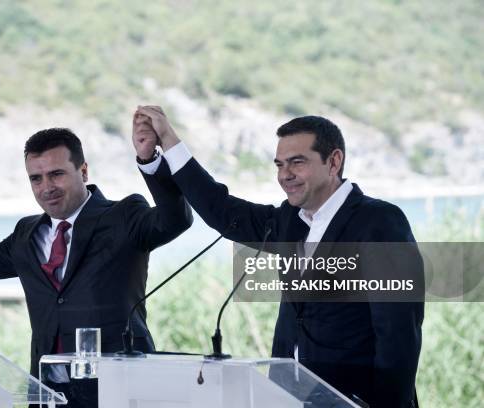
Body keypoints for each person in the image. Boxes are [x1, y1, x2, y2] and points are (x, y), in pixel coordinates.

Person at [133, 106, 424, 408]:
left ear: (334, 161)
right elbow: (221, 210)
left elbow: (399, 333)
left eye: (297, 163)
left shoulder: (380, 221)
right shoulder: (289, 220)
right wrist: (165, 144)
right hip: (288, 398)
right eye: (280, 164)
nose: (285, 175)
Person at [0, 127, 193, 408]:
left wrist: (148, 159)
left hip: (120, 391)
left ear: (83, 171)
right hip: (48, 395)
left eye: (56, 174)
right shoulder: (26, 234)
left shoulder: (123, 216)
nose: (46, 187)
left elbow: (175, 219)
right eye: (36, 178)